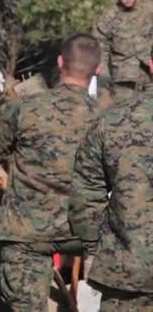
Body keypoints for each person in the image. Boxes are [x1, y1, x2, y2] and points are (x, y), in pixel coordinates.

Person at [0, 33, 102, 311]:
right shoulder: (108, 119)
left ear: (59, 62)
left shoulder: (23, 108)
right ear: (98, 69)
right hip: (87, 232)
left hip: (26, 233)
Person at [68, 53, 153, 311]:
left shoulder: (112, 121)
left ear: (151, 65)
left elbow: (84, 194)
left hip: (126, 273)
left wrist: (93, 248)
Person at [94, 0, 153, 103]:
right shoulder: (110, 16)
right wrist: (103, 72)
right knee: (123, 113)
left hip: (148, 73)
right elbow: (100, 42)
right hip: (123, 74)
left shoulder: (148, 10)